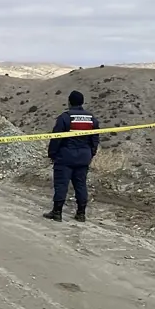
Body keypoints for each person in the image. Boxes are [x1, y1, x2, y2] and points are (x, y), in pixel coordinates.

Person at [44, 90, 100, 223]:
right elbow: (95, 138)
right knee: (81, 185)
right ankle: (81, 214)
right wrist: (91, 153)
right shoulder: (92, 118)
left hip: (65, 157)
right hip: (83, 158)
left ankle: (57, 212)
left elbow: (56, 138)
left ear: (69, 102)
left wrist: (52, 154)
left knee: (61, 184)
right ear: (82, 102)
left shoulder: (65, 117)